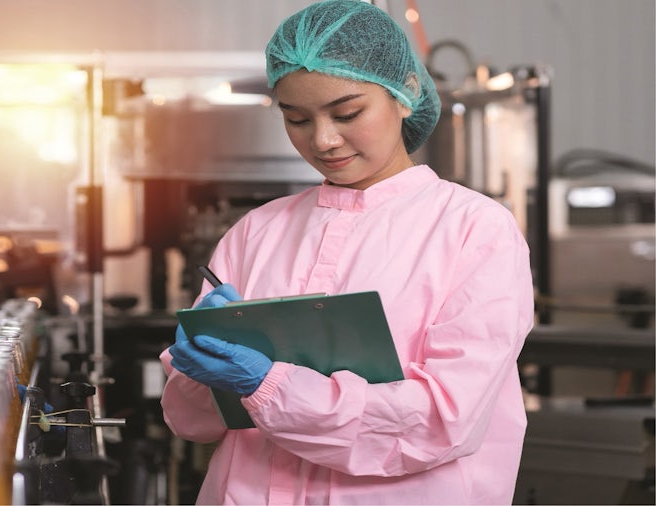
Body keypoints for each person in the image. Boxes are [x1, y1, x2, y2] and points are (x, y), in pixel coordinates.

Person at [159, 0, 534, 504]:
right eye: (296, 119)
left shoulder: (474, 229)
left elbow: (446, 418)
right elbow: (195, 424)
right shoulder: (257, 232)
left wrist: (270, 386)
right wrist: (196, 370)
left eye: (348, 112)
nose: (324, 140)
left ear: (408, 93)